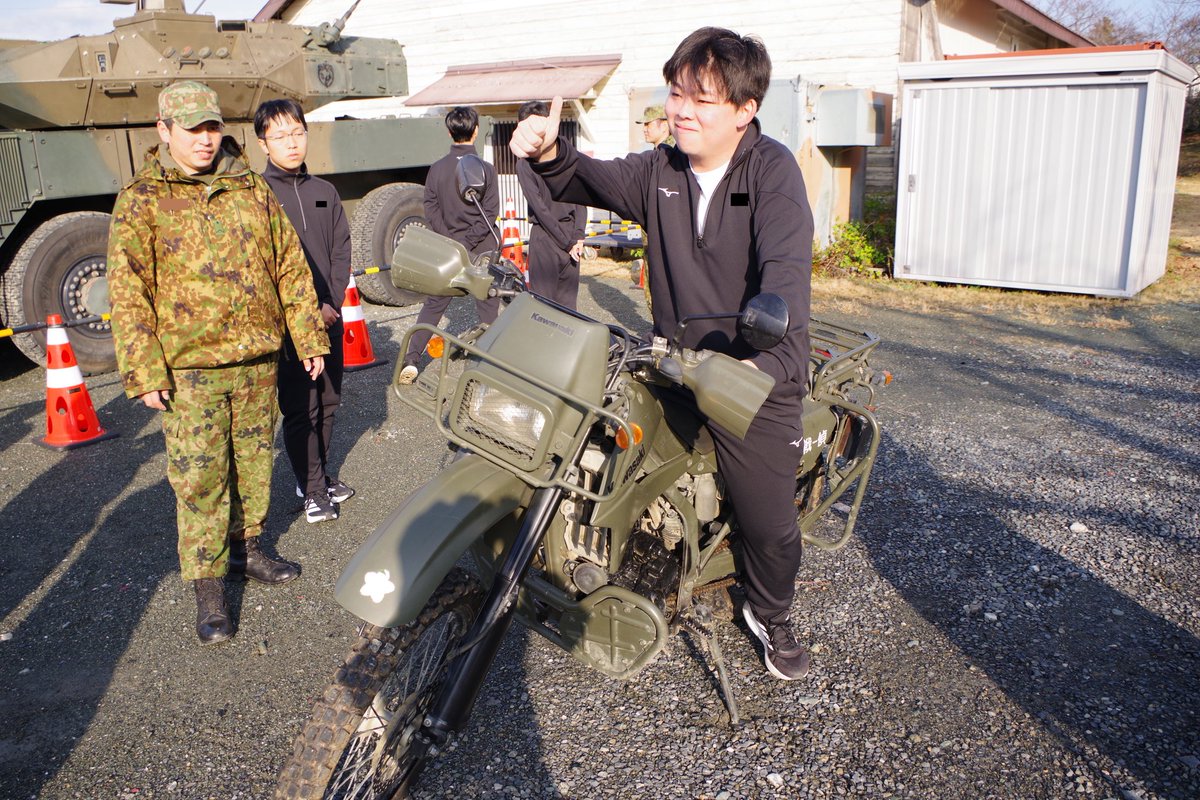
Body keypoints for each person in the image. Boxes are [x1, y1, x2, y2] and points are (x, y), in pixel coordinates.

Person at [510, 28, 814, 680]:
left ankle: (771, 610)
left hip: (750, 377)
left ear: (744, 108)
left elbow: (785, 277)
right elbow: (583, 176)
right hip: (674, 366)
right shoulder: (660, 170)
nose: (681, 110)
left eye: (701, 99)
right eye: (676, 92)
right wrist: (547, 150)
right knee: (589, 449)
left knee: (770, 526)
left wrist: (767, 358)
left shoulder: (772, 172)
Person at [108, 81, 329, 645]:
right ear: (164, 130)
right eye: (192, 130)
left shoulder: (248, 186)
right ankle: (208, 585)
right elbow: (128, 291)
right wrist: (144, 370)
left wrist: (307, 337)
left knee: (253, 467)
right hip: (191, 369)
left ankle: (247, 549)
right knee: (201, 476)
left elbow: (288, 265)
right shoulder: (142, 200)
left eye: (211, 128)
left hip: (255, 358)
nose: (206, 140)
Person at [255, 98, 355, 525]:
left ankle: (317, 477)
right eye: (280, 136)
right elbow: (262, 265)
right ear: (263, 144)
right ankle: (312, 489)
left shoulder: (323, 192)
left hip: (329, 316)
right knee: (301, 407)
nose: (292, 143)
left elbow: (340, 250)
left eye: (297, 132)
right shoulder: (259, 196)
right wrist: (304, 312)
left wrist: (330, 302)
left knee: (330, 400)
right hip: (289, 326)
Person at [397, 106, 501, 384]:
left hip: (448, 247)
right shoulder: (487, 170)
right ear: (476, 130)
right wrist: (468, 242)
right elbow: (490, 213)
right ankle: (488, 367)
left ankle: (412, 359)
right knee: (488, 305)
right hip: (483, 247)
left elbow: (429, 207)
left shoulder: (437, 169)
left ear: (449, 131)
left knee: (434, 305)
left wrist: (451, 240)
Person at [515, 100, 586, 309]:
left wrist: (572, 240)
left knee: (543, 309)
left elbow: (540, 209)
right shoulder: (568, 153)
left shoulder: (524, 163)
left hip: (547, 237)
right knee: (568, 308)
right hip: (570, 236)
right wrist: (577, 237)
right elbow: (583, 199)